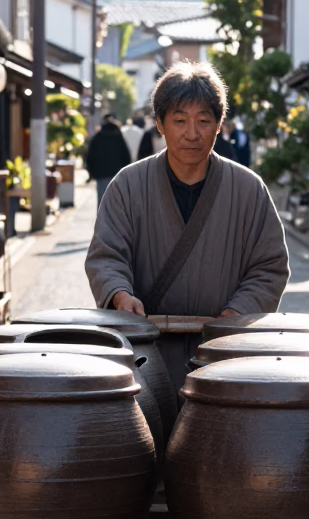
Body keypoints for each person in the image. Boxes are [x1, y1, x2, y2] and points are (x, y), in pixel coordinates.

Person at [85, 60, 290, 390]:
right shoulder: (127, 185)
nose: (192, 134)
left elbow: (269, 266)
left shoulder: (249, 189)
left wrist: (236, 313)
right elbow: (107, 256)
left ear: (219, 124)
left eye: (204, 121)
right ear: (160, 125)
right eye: (180, 120)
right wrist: (121, 296)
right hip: (144, 356)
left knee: (218, 440)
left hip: (223, 357)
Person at [85, 113, 130, 207]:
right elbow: (126, 157)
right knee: (118, 205)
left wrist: (92, 174)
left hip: (101, 176)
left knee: (102, 204)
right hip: (118, 176)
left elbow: (90, 157)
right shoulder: (119, 138)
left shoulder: (97, 138)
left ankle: (103, 222)